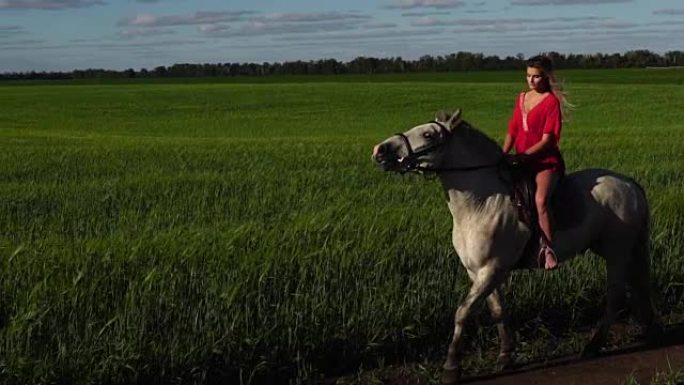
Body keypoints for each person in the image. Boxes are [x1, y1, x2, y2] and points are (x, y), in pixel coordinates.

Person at [502, 55, 570, 270]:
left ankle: (547, 250)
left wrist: (524, 157)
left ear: (546, 77)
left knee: (540, 201)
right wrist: (503, 155)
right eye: (528, 76)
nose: (531, 81)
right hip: (521, 161)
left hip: (544, 162)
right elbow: (512, 130)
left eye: (536, 77)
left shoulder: (551, 102)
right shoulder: (522, 98)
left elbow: (548, 141)